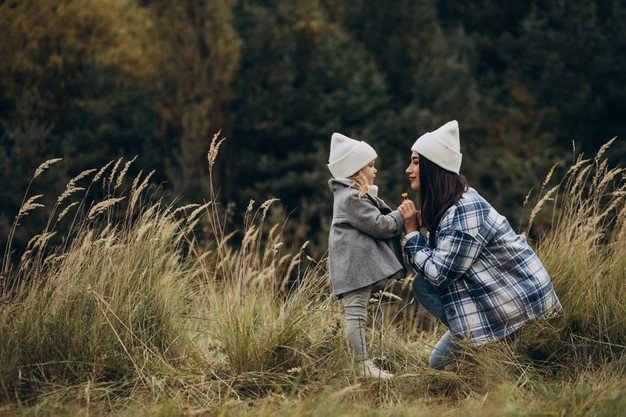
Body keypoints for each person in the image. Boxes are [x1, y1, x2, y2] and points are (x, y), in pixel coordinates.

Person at [397, 120, 562, 370]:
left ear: (435, 166)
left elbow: (440, 276)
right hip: (497, 298)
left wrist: (411, 235)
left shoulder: (464, 210)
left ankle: (496, 349)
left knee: (426, 292)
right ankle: (484, 349)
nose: (408, 169)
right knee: (438, 360)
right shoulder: (451, 206)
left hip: (521, 306)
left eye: (416, 162)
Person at [327, 132, 406, 379]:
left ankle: (361, 363)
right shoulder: (351, 197)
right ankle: (361, 365)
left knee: (358, 314)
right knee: (356, 315)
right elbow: (380, 226)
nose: (376, 170)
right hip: (352, 268)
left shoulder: (352, 196)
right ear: (355, 171)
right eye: (370, 166)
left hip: (354, 267)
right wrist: (401, 215)